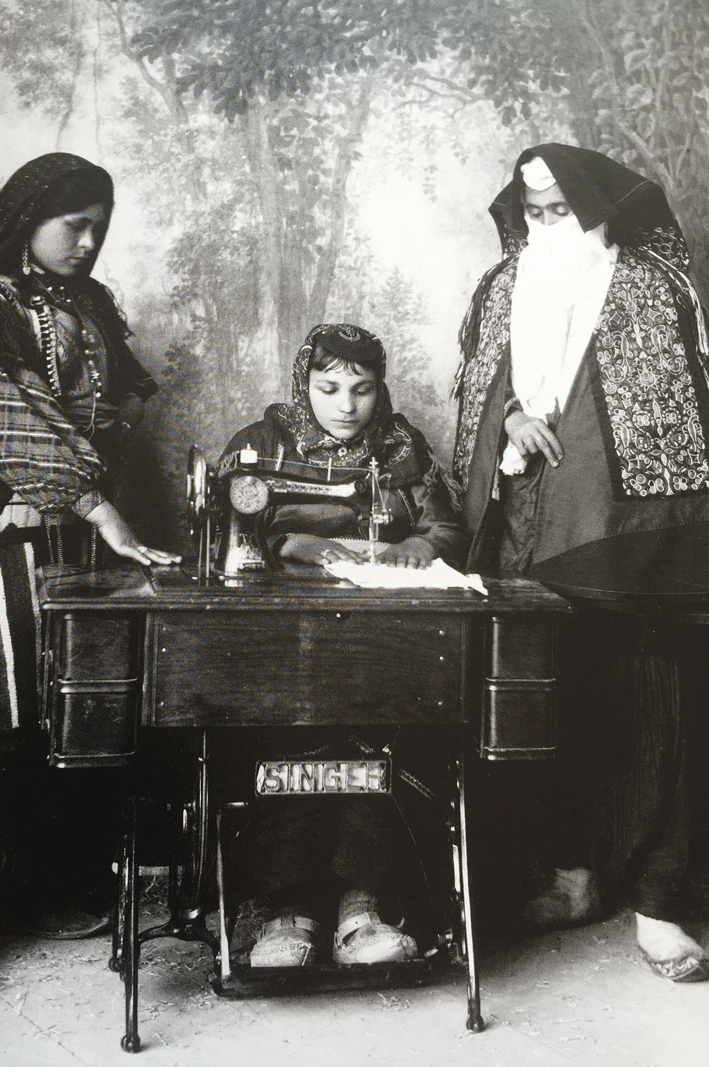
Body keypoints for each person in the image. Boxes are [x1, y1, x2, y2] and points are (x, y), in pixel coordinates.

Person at [0, 153, 179, 992]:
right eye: (75, 224)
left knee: (57, 713)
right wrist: (97, 499)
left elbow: (128, 397)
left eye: (101, 225)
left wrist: (105, 461)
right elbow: (9, 420)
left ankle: (14, 893)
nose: (90, 242)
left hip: (79, 539)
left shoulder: (89, 305)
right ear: (28, 216)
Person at [454, 142, 709, 981]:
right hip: (523, 530)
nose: (549, 225)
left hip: (630, 537)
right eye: (535, 212)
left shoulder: (647, 284)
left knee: (653, 710)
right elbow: (482, 392)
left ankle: (660, 902)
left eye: (564, 209)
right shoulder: (501, 285)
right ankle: (571, 877)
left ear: (597, 206)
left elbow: (684, 417)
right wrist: (514, 418)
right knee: (540, 707)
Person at [218, 322, 467, 967]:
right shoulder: (258, 444)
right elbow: (231, 528)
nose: (346, 405)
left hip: (377, 635)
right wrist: (300, 545)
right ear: (305, 384)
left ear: (379, 389)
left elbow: (444, 520)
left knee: (376, 738)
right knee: (290, 740)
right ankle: (285, 912)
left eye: (362, 389)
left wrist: (421, 543)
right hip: (279, 639)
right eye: (329, 388)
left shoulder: (401, 446)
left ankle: (364, 906)